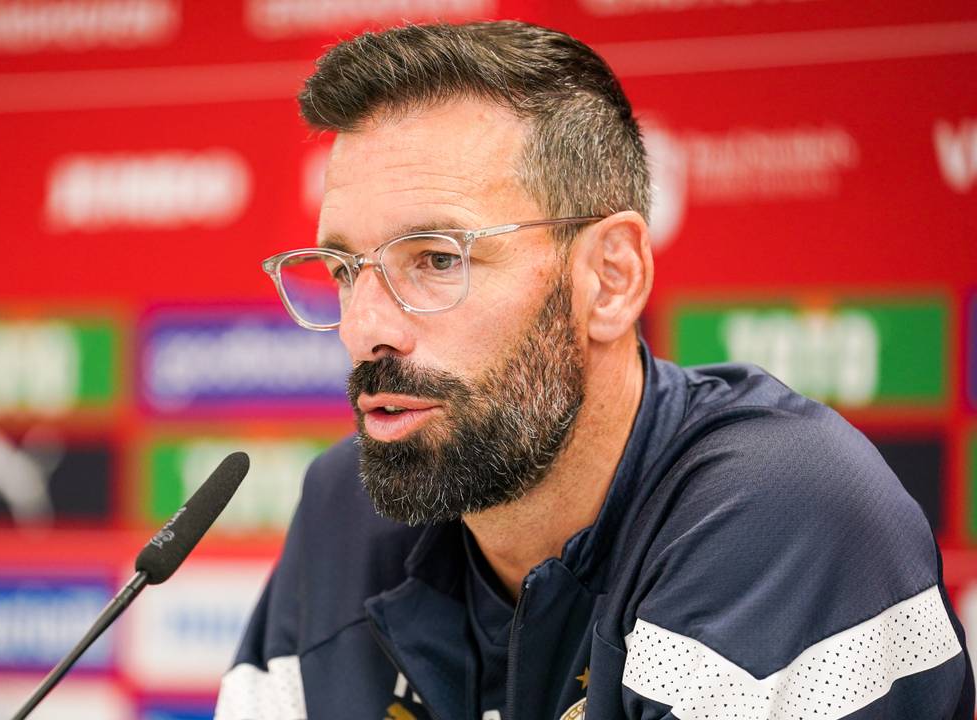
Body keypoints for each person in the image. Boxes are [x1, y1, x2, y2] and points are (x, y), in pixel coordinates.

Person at [214, 20, 974, 720]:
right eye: (345, 268)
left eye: (437, 261)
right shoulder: (344, 513)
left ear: (609, 279)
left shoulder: (784, 513)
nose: (362, 329)